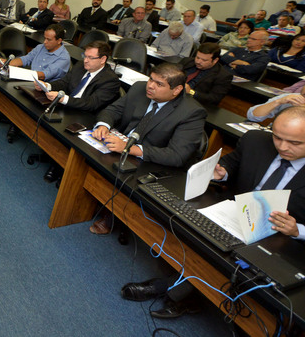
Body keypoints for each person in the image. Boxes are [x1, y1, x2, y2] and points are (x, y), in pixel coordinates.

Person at [121, 106, 305, 319]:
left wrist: (296, 229)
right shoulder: (256, 140)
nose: (282, 147)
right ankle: (184, 292)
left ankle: (171, 290)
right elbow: (231, 163)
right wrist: (222, 172)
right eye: (277, 137)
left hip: (280, 237)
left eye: (295, 143)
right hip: (234, 213)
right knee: (186, 226)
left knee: (218, 254)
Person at [92, 63, 207, 167]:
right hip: (116, 149)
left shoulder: (191, 112)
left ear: (176, 90)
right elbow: (113, 110)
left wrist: (129, 148)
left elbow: (177, 156)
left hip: (148, 163)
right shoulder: (139, 88)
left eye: (159, 84)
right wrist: (103, 126)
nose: (150, 86)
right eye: (151, 79)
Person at [36, 40, 121, 182]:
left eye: (90, 57)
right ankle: (48, 151)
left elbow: (91, 104)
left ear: (103, 59)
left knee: (60, 125)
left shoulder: (110, 80)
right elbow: (65, 82)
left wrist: (64, 99)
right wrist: (48, 85)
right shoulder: (80, 66)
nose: (85, 60)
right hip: (69, 106)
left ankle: (57, 165)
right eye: (85, 56)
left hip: (86, 116)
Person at [2, 23, 69, 81]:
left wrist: (17, 72)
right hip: (31, 80)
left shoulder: (64, 58)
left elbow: (43, 75)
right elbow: (26, 59)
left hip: (45, 86)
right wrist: (7, 63)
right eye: (45, 38)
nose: (45, 42)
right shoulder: (41, 47)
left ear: (59, 41)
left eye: (49, 39)